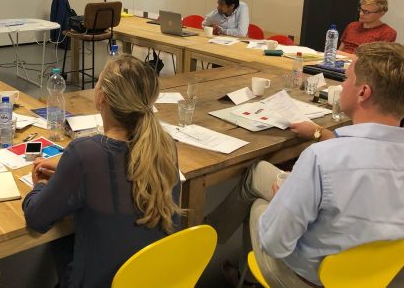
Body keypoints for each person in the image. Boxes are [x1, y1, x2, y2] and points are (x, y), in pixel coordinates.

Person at [208, 42, 404, 287]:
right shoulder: (332, 156)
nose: (341, 86)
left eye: (346, 79)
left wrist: (278, 205)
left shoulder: (320, 159)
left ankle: (212, 247)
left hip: (309, 280)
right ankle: (227, 254)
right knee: (258, 172)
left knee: (259, 204)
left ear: (363, 92)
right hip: (380, 277)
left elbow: (275, 244)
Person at [23, 55, 182, 287]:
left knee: (61, 241)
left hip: (104, 281)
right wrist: (69, 168)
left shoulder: (84, 153)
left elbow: (37, 217)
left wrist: (40, 185)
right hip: (156, 278)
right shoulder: (165, 145)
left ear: (102, 97)